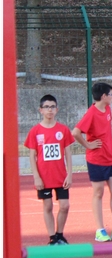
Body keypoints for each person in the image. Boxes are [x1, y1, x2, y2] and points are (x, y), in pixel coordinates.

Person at [72, 82, 112, 242]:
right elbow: (75, 132)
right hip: (96, 159)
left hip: (110, 158)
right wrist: (88, 144)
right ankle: (100, 230)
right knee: (99, 193)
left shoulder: (107, 109)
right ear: (103, 96)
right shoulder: (91, 113)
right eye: (111, 94)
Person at [24, 95, 75, 245]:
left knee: (65, 205)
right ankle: (52, 237)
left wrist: (69, 174)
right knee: (48, 205)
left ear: (57, 109)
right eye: (46, 107)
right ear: (40, 110)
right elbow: (32, 155)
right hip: (44, 176)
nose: (50, 110)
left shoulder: (63, 130)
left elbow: (68, 153)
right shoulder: (35, 131)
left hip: (60, 175)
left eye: (52, 107)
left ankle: (60, 234)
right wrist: (36, 177)